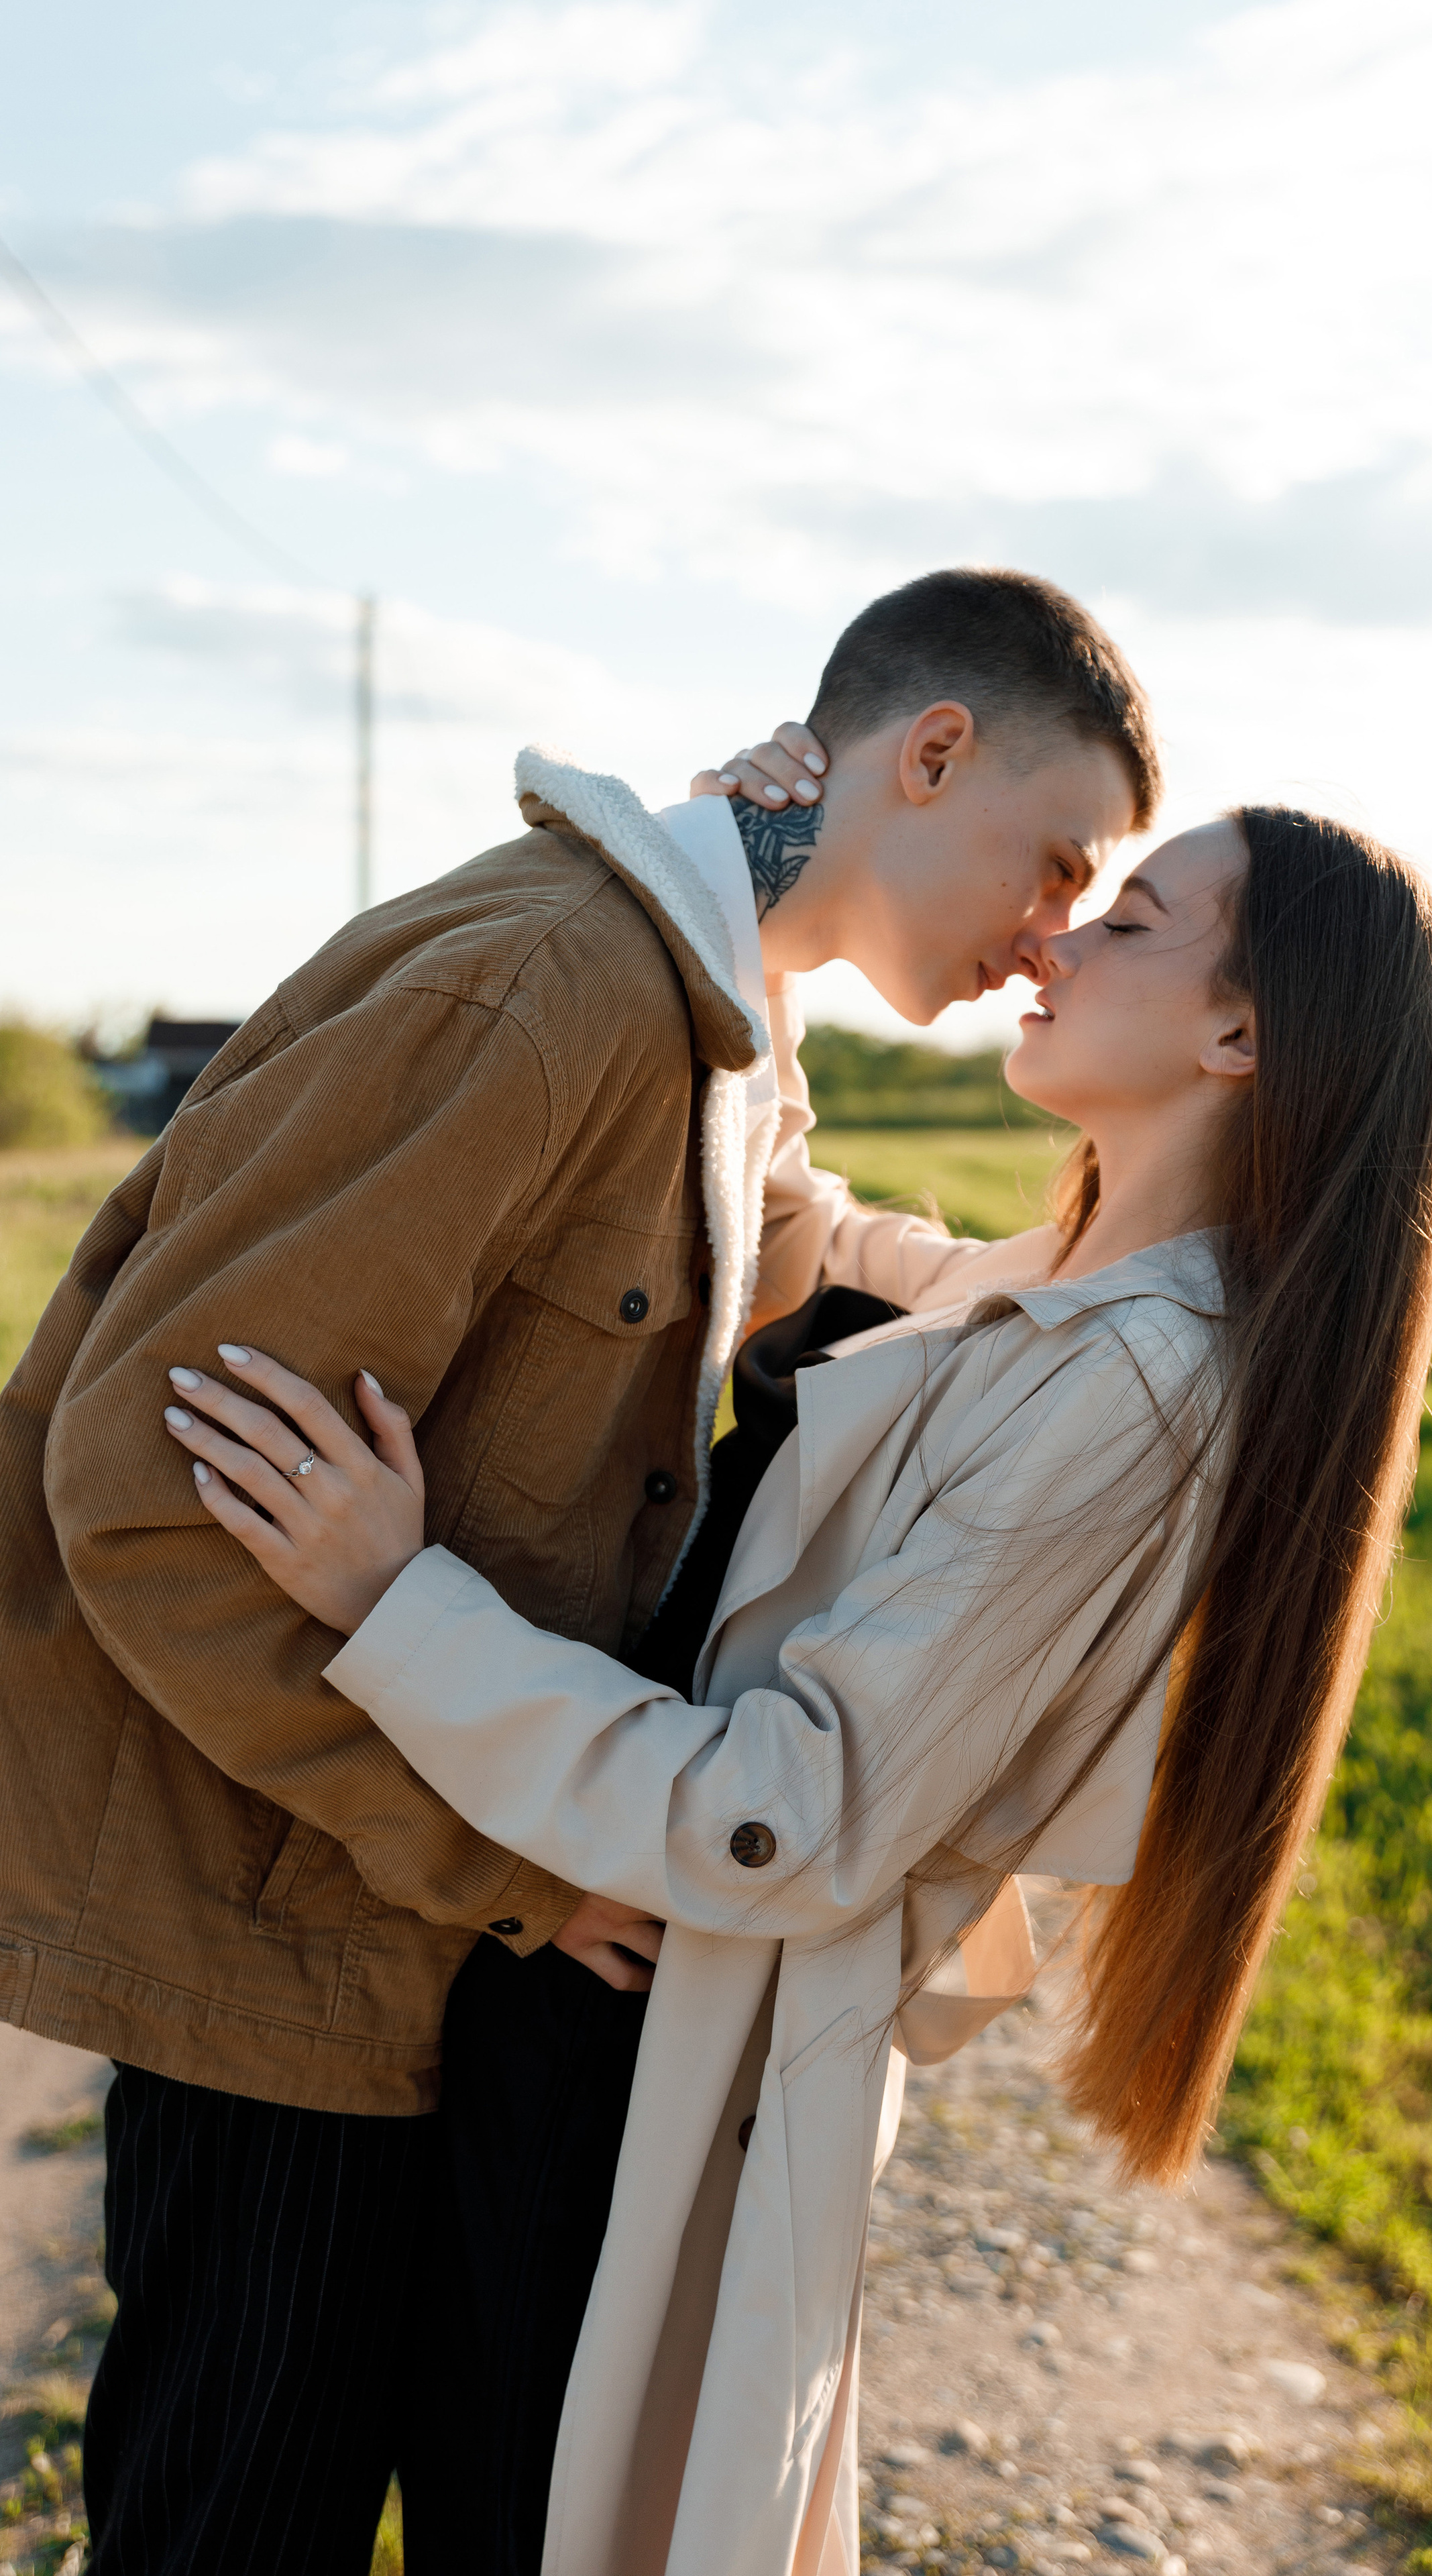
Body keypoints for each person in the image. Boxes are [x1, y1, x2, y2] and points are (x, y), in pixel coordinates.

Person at [0, 566, 1158, 2576]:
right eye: (1055, 860)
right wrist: (516, 1865)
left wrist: (1113, 1277)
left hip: (404, 1934)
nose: (1053, 929)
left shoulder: (714, 1008)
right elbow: (149, 1495)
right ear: (931, 753)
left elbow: (778, 1238)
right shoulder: (545, 989)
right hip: (278, 1934)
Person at [164, 804, 1432, 2576]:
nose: (1059, 940)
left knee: (528, 2516)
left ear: (1237, 1031)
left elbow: (784, 1814)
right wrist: (761, 890)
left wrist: (394, 1603)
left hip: (663, 2021)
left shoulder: (1144, 1384)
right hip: (618, 1971)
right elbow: (807, 1229)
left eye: (1133, 921)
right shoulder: (1060, 1293)